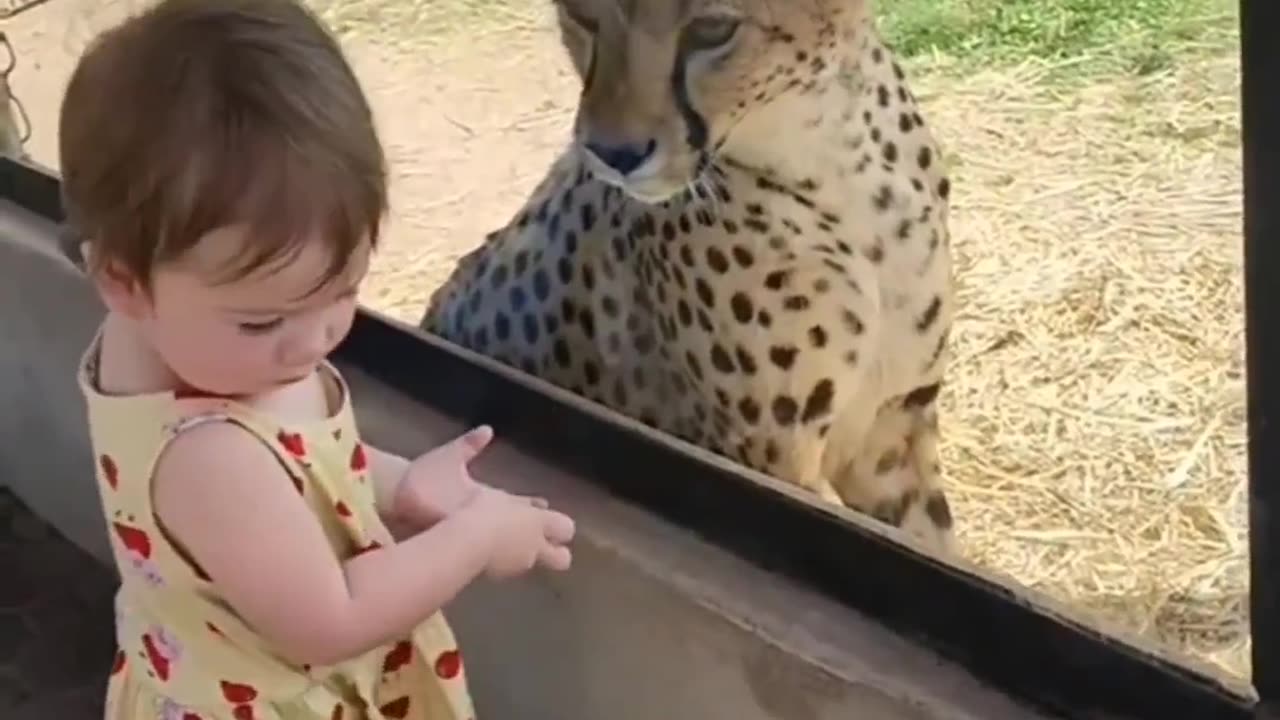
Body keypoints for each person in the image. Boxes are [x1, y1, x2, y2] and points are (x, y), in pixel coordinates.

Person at [59, 0, 576, 718]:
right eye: (263, 318)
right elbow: (332, 621)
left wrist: (395, 484)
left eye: (344, 291)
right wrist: (476, 537)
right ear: (123, 281)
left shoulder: (176, 335)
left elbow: (288, 464)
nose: (313, 342)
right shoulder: (207, 459)